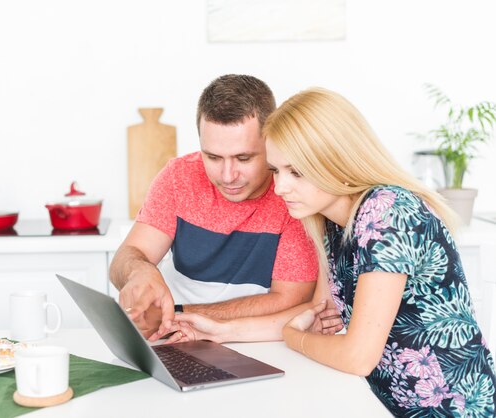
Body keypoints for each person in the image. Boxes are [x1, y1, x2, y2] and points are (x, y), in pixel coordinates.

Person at [161, 87, 496, 417]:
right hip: (388, 404)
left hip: (450, 410)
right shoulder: (332, 223)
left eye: (297, 172)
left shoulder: (387, 212)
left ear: (334, 160)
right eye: (277, 171)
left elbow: (356, 356)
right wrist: (221, 331)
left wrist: (295, 337)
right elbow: (317, 314)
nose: (279, 188)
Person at [109, 75, 322, 338]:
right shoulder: (179, 176)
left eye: (243, 158)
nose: (228, 175)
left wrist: (178, 315)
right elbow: (126, 257)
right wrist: (139, 271)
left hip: (253, 340)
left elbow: (289, 299)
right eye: (213, 157)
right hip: (169, 335)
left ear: (270, 141)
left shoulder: (293, 195)